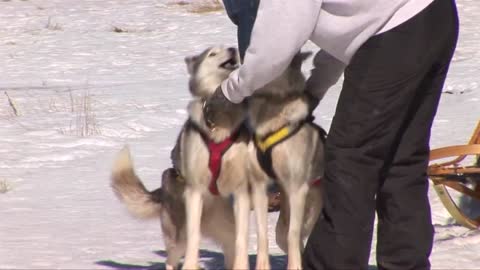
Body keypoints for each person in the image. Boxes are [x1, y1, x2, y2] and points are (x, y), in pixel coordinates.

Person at [206, 0, 459, 269]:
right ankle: (406, 263)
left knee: (350, 163)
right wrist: (314, 90)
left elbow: (273, 51)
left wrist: (230, 93)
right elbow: (352, 35)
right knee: (401, 158)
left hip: (394, 33)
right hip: (434, 17)